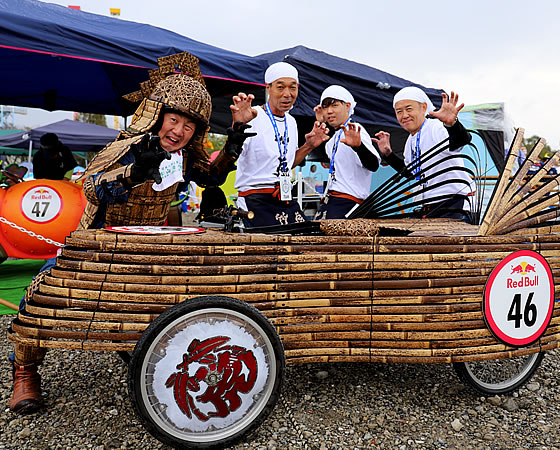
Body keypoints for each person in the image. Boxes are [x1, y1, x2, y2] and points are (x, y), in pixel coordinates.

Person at [8, 52, 253, 415]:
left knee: (173, 304)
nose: (179, 130)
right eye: (173, 119)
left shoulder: (184, 158)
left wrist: (233, 139)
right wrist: (134, 171)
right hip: (92, 248)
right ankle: (25, 372)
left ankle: (157, 366)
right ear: (157, 116)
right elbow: (90, 187)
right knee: (40, 298)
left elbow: (212, 177)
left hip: (147, 249)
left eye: (189, 126)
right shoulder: (126, 147)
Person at [231, 62, 329, 228]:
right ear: (268, 88)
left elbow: (287, 163)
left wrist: (309, 146)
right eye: (280, 87)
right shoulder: (252, 115)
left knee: (305, 238)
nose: (287, 94)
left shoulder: (291, 122)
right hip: (255, 199)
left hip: (284, 197)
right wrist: (237, 128)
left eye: (293, 88)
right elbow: (232, 153)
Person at [373, 87, 475, 221]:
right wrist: (389, 155)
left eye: (409, 109)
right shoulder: (410, 140)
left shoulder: (436, 127)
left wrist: (452, 124)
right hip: (431, 205)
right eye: (399, 112)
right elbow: (412, 173)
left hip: (455, 202)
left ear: (424, 107)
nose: (404, 115)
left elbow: (461, 141)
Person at [312, 85, 380, 219]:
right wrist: (320, 123)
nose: (329, 111)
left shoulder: (355, 129)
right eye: (325, 107)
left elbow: (373, 165)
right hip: (332, 201)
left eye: (334, 105)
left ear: (348, 106)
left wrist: (358, 146)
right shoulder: (334, 139)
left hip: (349, 203)